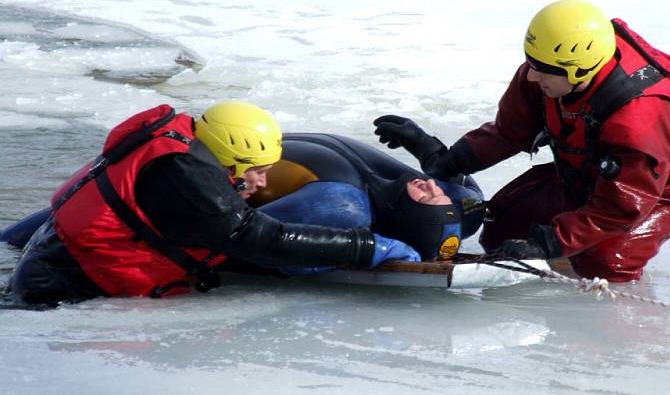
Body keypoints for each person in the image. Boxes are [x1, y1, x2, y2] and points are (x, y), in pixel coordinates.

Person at [374, 0, 670, 282]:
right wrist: (442, 158)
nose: (532, 74)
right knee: (500, 232)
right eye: (531, 62)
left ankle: (612, 313)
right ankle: (564, 258)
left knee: (604, 262)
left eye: (543, 69)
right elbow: (509, 132)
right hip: (582, 172)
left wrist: (550, 244)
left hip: (654, 192)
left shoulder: (638, 118)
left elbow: (620, 207)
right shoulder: (546, 72)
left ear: (580, 69)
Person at [6, 101, 419, 306]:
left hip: (55, 254)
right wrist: (368, 247)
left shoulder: (187, 147)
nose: (260, 182)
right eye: (255, 170)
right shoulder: (186, 179)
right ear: (229, 159)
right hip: (60, 289)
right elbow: (254, 237)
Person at [248, 133, 485, 267]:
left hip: (243, 161)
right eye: (440, 195)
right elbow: (472, 194)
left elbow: (241, 234)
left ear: (404, 216)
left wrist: (366, 247)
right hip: (262, 143)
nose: (430, 184)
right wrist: (426, 146)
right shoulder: (467, 208)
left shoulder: (342, 205)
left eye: (426, 197)